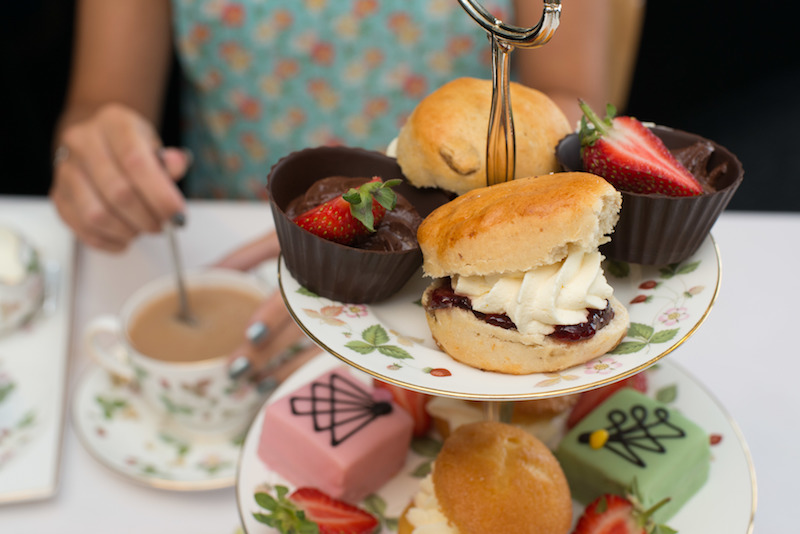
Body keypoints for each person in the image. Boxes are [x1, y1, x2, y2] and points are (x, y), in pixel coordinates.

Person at [50, 0, 614, 392]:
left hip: (456, 258)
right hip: (229, 253)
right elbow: (101, 102)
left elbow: (574, 110)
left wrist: (357, 232)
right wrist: (94, 159)